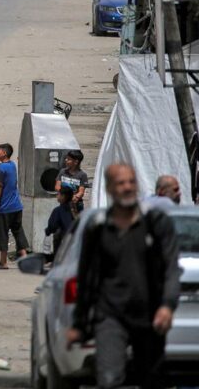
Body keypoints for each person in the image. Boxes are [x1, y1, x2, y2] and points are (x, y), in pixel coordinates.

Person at [67, 163, 180, 389]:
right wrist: (79, 323)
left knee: (152, 379)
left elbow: (170, 268)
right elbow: (87, 277)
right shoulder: (98, 228)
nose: (127, 187)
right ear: (109, 188)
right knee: (108, 379)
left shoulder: (156, 223)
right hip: (110, 315)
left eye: (131, 182)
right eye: (120, 183)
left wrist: (167, 305)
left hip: (149, 316)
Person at [0, 143, 30, 269]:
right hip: (16, 206)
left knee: (1, 234)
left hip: (5, 207)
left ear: (5, 153)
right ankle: (25, 258)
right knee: (17, 231)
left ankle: (3, 262)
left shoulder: (2, 169)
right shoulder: (12, 165)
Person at [54, 149, 88, 215]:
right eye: (66, 158)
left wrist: (76, 197)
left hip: (77, 206)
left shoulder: (82, 175)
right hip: (64, 203)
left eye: (68, 159)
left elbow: (81, 191)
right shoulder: (62, 172)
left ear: (76, 162)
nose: (66, 160)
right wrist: (65, 196)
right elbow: (57, 186)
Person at [45, 186, 76, 259]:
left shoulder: (58, 210)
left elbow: (52, 226)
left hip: (64, 242)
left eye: (58, 194)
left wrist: (47, 231)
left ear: (63, 196)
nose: (57, 196)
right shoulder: (75, 209)